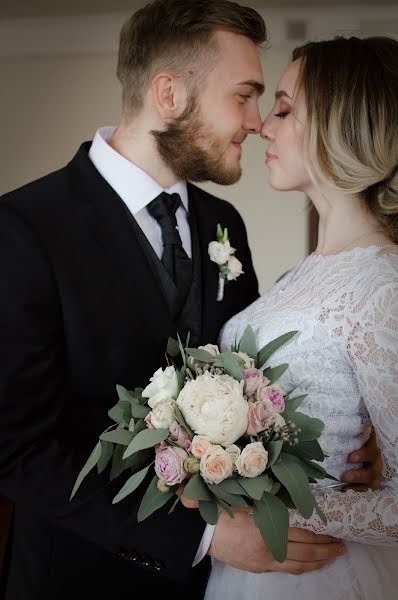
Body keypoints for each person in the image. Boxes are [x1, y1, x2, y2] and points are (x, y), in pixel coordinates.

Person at [0, 2, 381, 598]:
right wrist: (200, 536)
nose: (258, 123)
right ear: (169, 95)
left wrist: (365, 441)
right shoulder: (24, 228)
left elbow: (261, 386)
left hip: (225, 583)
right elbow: (17, 448)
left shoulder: (221, 223)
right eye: (245, 96)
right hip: (81, 578)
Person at [203, 35, 398, 600]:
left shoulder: (383, 285)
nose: (264, 125)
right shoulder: (299, 275)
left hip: (323, 577)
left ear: (344, 124)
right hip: (246, 570)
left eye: (284, 109)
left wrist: (278, 507)